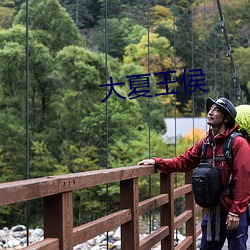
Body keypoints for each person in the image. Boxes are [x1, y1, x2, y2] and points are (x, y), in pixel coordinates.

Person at [137, 97, 250, 250]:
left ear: (227, 118)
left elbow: (244, 178)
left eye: (216, 110)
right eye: (210, 109)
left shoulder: (238, 143)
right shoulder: (205, 143)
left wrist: (236, 212)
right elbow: (184, 161)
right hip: (213, 211)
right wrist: (157, 162)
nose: (210, 112)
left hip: (233, 211)